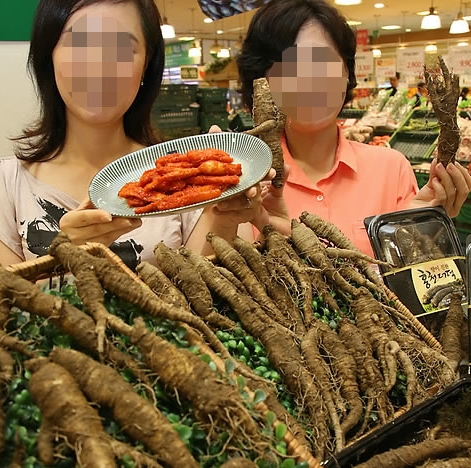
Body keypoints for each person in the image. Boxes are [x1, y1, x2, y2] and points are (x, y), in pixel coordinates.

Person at [0, 0, 268, 269]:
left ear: (146, 64)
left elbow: (214, 286)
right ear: (49, 56)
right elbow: (9, 294)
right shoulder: (7, 185)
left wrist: (224, 215)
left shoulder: (185, 178)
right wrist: (66, 258)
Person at [237, 0, 471, 257]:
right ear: (261, 84)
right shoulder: (246, 178)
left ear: (346, 73)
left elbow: (414, 269)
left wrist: (427, 226)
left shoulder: (391, 169)